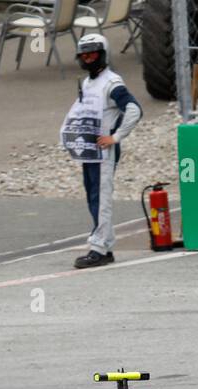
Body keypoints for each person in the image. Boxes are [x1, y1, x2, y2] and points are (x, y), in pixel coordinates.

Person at [61, 33, 142, 269]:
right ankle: (104, 246)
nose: (88, 59)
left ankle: (98, 249)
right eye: (84, 55)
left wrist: (115, 137)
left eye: (92, 54)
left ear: (103, 55)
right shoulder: (88, 82)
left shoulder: (112, 83)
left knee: (101, 197)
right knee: (93, 195)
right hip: (89, 151)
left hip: (104, 151)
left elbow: (134, 109)